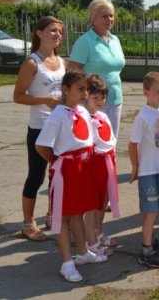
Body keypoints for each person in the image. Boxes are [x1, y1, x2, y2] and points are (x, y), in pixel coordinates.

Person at [35, 70, 108, 282]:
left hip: (84, 169)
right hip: (67, 171)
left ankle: (83, 253)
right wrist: (57, 162)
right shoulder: (58, 114)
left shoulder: (83, 112)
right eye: (80, 89)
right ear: (65, 90)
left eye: (87, 89)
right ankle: (67, 263)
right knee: (63, 217)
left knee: (79, 212)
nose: (85, 93)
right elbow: (41, 145)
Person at [13, 16, 65, 241]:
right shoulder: (32, 62)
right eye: (53, 30)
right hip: (39, 128)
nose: (57, 35)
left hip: (59, 127)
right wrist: (44, 100)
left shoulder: (62, 61)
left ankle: (52, 215)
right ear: (40, 33)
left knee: (58, 175)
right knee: (36, 176)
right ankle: (28, 224)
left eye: (60, 32)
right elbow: (18, 96)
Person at [128, 72, 159, 268]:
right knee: (150, 211)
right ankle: (146, 251)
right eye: (158, 91)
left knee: (157, 209)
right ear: (146, 92)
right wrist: (136, 167)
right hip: (148, 171)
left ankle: (151, 239)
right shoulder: (142, 116)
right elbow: (132, 144)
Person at [69, 0, 125, 136]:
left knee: (111, 142)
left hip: (115, 99)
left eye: (111, 15)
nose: (109, 19)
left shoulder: (115, 40)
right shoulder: (84, 42)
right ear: (93, 18)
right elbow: (72, 74)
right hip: (92, 102)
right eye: (104, 16)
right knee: (92, 142)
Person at [85, 75, 120, 256]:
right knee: (92, 204)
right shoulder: (83, 117)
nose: (100, 101)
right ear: (86, 97)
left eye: (102, 97)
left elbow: (110, 141)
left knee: (103, 201)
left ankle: (98, 232)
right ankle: (90, 240)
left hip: (106, 164)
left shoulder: (104, 116)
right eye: (95, 98)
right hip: (92, 166)